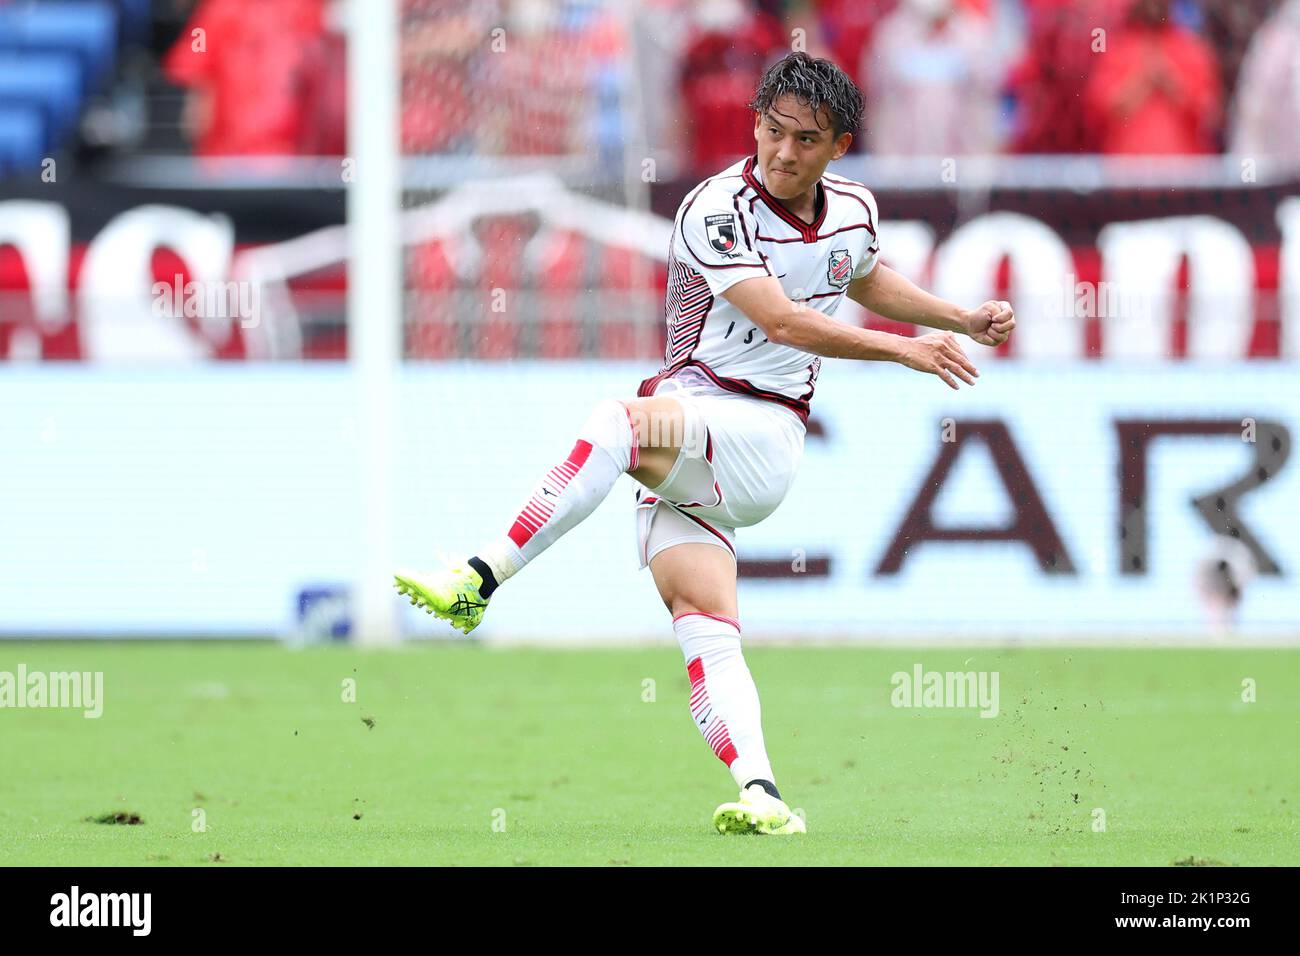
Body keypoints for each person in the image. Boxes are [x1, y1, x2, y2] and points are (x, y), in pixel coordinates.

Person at [395, 52, 1015, 835]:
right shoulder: (715, 208)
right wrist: (908, 349)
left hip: (761, 433)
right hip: (697, 436)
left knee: (618, 423)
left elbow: (860, 275)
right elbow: (784, 318)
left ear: (839, 147)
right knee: (705, 625)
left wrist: (953, 319)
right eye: (772, 129)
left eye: (806, 139)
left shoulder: (854, 207)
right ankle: (764, 793)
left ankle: (480, 576)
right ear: (755, 120)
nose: (783, 152)